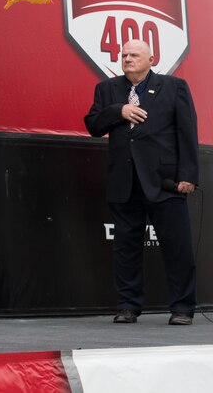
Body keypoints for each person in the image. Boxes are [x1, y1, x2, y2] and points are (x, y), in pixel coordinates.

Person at [83, 39, 199, 326]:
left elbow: (187, 132)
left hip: (164, 181)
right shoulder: (107, 89)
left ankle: (182, 308)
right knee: (126, 248)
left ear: (152, 59)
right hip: (124, 182)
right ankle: (128, 306)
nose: (127, 59)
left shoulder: (174, 87)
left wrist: (188, 176)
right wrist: (118, 111)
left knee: (177, 246)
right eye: (124, 55)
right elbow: (94, 125)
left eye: (134, 55)